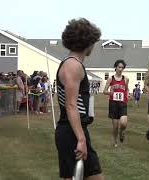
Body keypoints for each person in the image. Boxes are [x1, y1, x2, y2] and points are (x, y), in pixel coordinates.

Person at [54, 18, 103, 180]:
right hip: (71, 132)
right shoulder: (73, 66)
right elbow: (70, 105)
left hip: (75, 130)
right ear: (87, 42)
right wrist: (81, 139)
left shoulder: (73, 64)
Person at [103, 59, 129, 147]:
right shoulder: (111, 79)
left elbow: (127, 89)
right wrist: (110, 93)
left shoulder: (126, 79)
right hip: (113, 104)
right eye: (119, 67)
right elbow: (104, 91)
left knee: (123, 123)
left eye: (122, 67)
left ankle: (122, 132)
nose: (120, 69)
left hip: (122, 103)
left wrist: (128, 95)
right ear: (115, 67)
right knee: (115, 126)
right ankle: (115, 141)